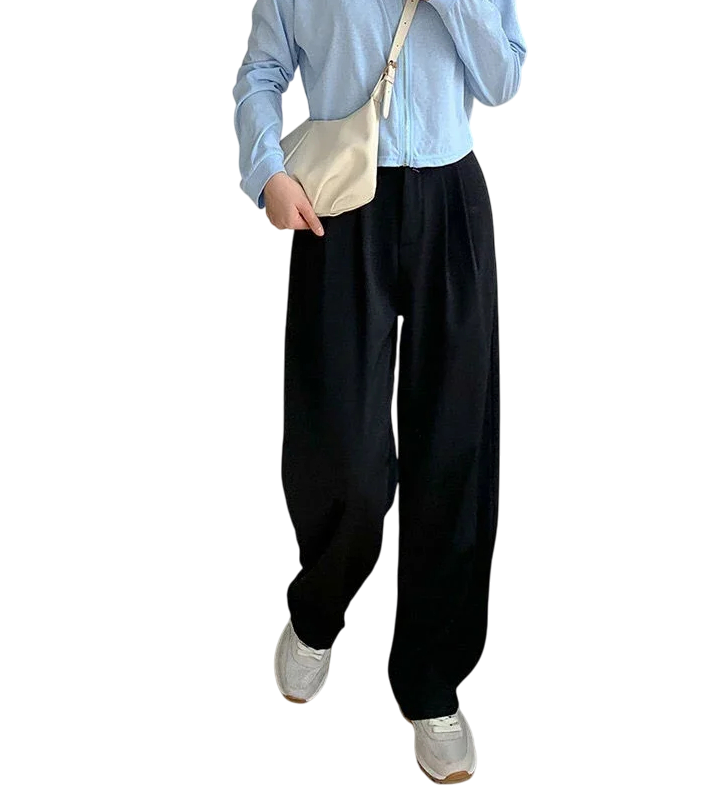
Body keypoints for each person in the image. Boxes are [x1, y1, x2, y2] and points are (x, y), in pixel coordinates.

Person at [233, 0, 525, 784]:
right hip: (340, 202)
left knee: (454, 450)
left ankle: (431, 683)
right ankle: (317, 609)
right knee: (343, 453)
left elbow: (502, 79)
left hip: (452, 203)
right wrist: (267, 170)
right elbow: (262, 70)